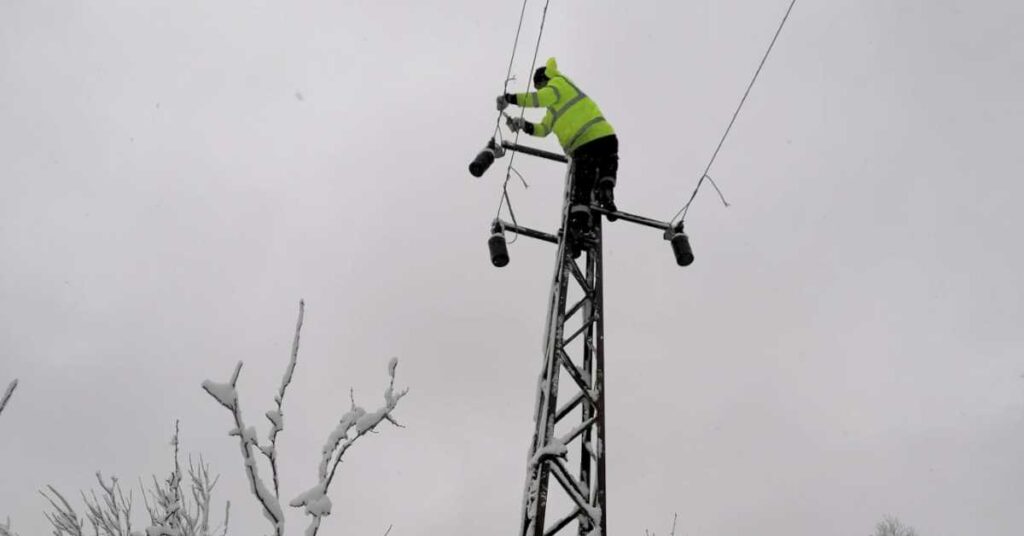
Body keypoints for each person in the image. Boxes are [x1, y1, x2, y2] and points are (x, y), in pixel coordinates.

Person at [496, 58, 620, 245]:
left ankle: (578, 226)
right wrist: (523, 125)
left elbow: (538, 99)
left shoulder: (558, 83)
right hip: (605, 136)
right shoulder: (555, 108)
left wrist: (509, 98)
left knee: (582, 187)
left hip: (583, 144)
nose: (540, 91)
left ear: (544, 80)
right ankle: (606, 191)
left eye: (539, 86)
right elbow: (543, 129)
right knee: (606, 167)